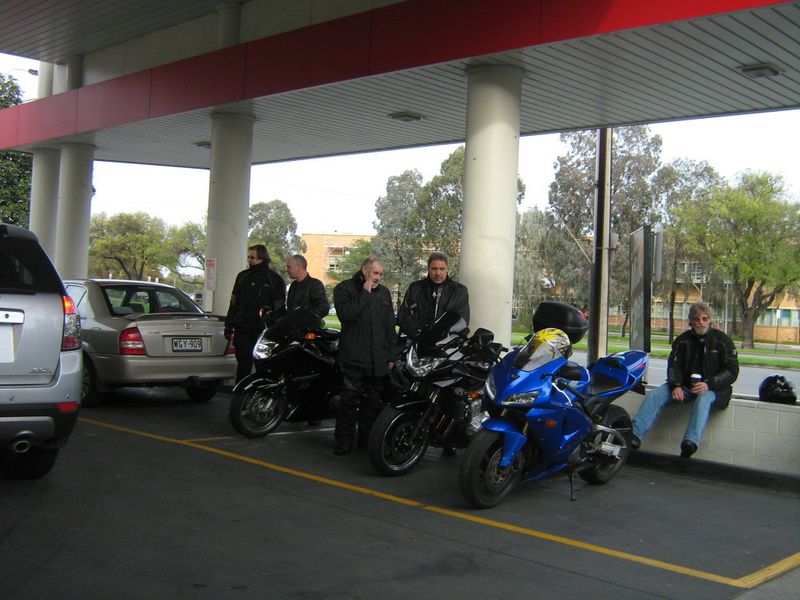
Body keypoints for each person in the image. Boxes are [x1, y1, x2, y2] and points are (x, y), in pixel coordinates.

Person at [631, 301, 739, 458]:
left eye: (704, 318)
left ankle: (690, 442)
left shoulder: (723, 341)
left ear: (709, 320)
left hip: (714, 390)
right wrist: (676, 385)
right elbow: (673, 366)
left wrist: (709, 384)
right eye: (696, 319)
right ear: (691, 321)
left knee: (703, 399)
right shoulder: (682, 341)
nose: (700, 322)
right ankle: (634, 435)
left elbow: (732, 371)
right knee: (656, 394)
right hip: (685, 386)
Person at [332, 256, 397, 455]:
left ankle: (366, 440)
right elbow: (347, 315)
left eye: (380, 274)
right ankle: (344, 442)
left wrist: (391, 356)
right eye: (375, 273)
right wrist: (365, 294)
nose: (378, 278)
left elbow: (389, 326)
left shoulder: (384, 293)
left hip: (377, 360)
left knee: (372, 404)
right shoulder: (344, 289)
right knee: (348, 402)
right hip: (353, 358)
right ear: (365, 271)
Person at [224, 244, 286, 383]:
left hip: (262, 331)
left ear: (262, 258)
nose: (249, 260)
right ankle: (241, 393)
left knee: (263, 366)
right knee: (243, 365)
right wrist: (228, 324)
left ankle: (262, 392)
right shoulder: (242, 276)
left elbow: (279, 307)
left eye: (252, 257)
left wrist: (275, 329)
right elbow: (234, 303)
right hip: (242, 328)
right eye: (249, 257)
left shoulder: (274, 279)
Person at [397, 252, 470, 340]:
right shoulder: (415, 288)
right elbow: (403, 316)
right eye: (434, 269)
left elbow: (462, 320)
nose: (438, 273)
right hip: (418, 341)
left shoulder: (459, 291)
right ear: (428, 269)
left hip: (447, 343)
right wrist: (418, 335)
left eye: (442, 269)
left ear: (447, 270)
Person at [285, 254, 329, 318]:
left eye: (289, 267)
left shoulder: (315, 284)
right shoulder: (293, 285)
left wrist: (303, 317)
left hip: (308, 324)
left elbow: (323, 308)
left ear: (298, 267)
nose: (287, 270)